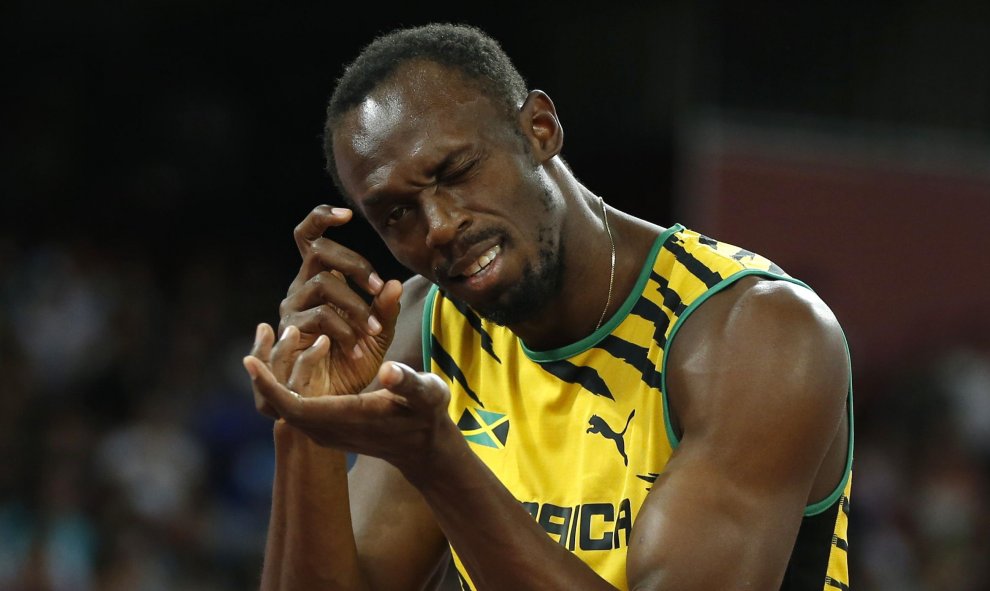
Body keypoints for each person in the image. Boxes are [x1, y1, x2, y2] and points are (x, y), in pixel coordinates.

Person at [241, 22, 853, 591]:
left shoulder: (755, 332)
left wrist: (440, 463)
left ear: (540, 129)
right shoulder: (434, 328)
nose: (441, 226)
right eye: (398, 214)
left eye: (456, 171)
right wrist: (306, 424)